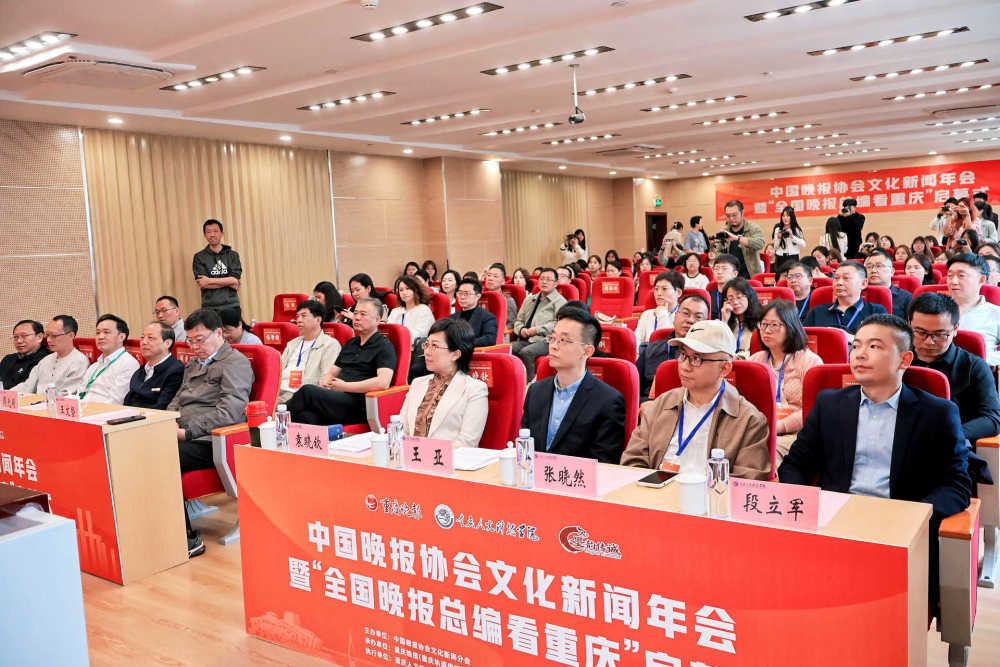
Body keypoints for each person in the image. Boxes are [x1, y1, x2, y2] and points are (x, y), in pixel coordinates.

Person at [779, 314, 971, 610]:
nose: (860, 354)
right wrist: (807, 509)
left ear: (904, 359)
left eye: (874, 346)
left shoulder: (937, 413)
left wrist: (913, 520)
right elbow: (795, 465)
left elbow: (956, 485)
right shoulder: (830, 404)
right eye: (856, 345)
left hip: (900, 534)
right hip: (833, 528)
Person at [621, 320, 770, 479]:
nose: (685, 366)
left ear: (724, 368)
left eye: (697, 359)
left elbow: (745, 481)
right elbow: (632, 462)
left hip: (709, 494)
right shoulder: (660, 405)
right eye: (683, 355)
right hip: (657, 491)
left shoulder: (749, 420)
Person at [170, 308, 254, 558]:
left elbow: (230, 412)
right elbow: (177, 400)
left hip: (211, 440)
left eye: (200, 339)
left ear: (219, 333)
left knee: (162, 457)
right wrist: (166, 421)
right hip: (180, 433)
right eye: (190, 341)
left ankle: (186, 538)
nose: (195, 347)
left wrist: (185, 432)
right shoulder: (193, 364)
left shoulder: (235, 362)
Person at [522, 307, 626, 463]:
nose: (553, 346)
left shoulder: (608, 401)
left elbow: (604, 464)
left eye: (563, 340)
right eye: (552, 338)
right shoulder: (536, 391)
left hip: (578, 478)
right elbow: (525, 447)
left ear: (587, 351)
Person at [286, 298, 396, 425]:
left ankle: (275, 419)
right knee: (307, 416)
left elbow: (383, 382)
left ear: (377, 319)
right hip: (337, 399)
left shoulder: (384, 346)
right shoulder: (351, 343)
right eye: (355, 313)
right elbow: (332, 372)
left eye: (363, 314)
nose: (357, 318)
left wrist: (345, 386)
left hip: (359, 403)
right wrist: (325, 384)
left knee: (307, 391)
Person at [908, 293, 1000, 443]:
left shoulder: (974, 367)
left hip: (952, 444)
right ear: (909, 324)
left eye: (940, 334)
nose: (929, 342)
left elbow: (992, 419)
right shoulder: (898, 360)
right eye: (921, 332)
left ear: (955, 328)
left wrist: (952, 433)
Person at [400, 319, 488, 448]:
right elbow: (401, 429)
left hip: (449, 459)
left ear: (456, 354)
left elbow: (467, 443)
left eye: (434, 346)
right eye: (426, 344)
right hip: (410, 457)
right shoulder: (417, 383)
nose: (427, 352)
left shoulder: (474, 389)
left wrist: (427, 455)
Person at [749, 300, 823, 439]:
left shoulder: (810, 361)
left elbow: (814, 409)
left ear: (790, 327)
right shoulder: (755, 361)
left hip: (799, 434)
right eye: (764, 324)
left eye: (774, 325)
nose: (767, 330)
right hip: (760, 431)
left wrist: (778, 427)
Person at [635, 293, 710, 400]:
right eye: (686, 313)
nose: (690, 320)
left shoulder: (711, 358)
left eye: (698, 317)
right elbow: (633, 393)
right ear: (675, 316)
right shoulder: (651, 350)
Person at [277, 300, 341, 405]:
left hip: (300, 394)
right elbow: (278, 371)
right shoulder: (292, 344)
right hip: (279, 390)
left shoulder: (330, 345)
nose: (298, 320)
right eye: (297, 316)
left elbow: (326, 379)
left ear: (318, 319)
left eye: (303, 316)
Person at [512, 268, 567, 380]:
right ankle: (514, 381)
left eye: (548, 279)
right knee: (510, 349)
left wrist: (537, 330)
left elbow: (559, 324)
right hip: (526, 338)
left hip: (547, 340)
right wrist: (521, 330)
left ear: (556, 283)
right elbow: (518, 320)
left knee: (527, 352)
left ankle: (530, 383)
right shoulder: (529, 299)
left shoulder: (560, 302)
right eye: (542, 279)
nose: (544, 282)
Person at [804, 262, 887, 336]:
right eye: (836, 278)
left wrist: (851, 339)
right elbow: (804, 342)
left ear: (863, 283)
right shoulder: (817, 312)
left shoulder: (876, 312)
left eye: (846, 278)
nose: (839, 283)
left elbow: (883, 343)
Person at [946, 253, 1000, 365]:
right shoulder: (935, 309)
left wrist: (981, 360)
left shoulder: (996, 313)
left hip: (977, 371)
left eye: (961, 275)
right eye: (950, 276)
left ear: (981, 279)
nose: (953, 281)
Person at [13, 315, 89, 395]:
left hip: (52, 402)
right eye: (47, 335)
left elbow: (67, 394)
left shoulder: (79, 361)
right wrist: (7, 394)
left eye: (54, 336)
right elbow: (27, 386)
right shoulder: (46, 360)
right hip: (36, 401)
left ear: (71, 335)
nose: (48, 340)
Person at [78, 314, 140, 404]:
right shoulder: (95, 366)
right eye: (98, 333)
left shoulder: (128, 363)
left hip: (104, 411)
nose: (100, 337)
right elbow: (80, 392)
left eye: (106, 332)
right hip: (83, 408)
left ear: (121, 337)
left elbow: (116, 401)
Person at [123, 322, 185, 410]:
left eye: (150, 338)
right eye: (142, 337)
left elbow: (162, 407)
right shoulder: (141, 370)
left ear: (167, 343)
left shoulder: (176, 371)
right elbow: (127, 401)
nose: (144, 342)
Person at [192, 219, 241, 310]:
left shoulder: (233, 255)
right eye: (208, 232)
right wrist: (228, 282)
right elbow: (203, 283)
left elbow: (234, 280)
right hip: (209, 306)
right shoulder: (199, 257)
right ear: (205, 235)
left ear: (222, 234)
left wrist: (209, 280)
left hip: (232, 305)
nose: (212, 234)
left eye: (215, 231)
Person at [714, 200, 764, 278]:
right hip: (729, 276)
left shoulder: (753, 228)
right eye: (728, 216)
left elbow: (760, 243)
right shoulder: (724, 231)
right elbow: (717, 253)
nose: (731, 218)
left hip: (750, 275)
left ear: (742, 213)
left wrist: (737, 238)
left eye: (734, 215)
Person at [635, 271, 685, 349]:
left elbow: (668, 345)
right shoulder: (647, 314)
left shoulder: (684, 317)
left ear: (678, 292)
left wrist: (662, 315)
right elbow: (636, 340)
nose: (659, 293)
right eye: (656, 289)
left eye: (664, 289)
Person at [449, 278, 498, 348]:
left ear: (478, 296)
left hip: (473, 352)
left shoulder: (487, 317)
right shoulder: (452, 317)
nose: (462, 297)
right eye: (460, 293)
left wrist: (464, 343)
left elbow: (490, 339)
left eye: (466, 294)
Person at [719, 278, 762, 358]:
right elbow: (719, 347)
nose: (735, 302)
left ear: (749, 297)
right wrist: (724, 321)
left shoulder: (761, 320)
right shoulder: (725, 321)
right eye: (731, 299)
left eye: (739, 297)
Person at [864, 249, 912, 317]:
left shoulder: (906, 297)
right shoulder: (859, 295)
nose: (873, 270)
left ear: (892, 271)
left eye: (879, 266)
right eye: (869, 267)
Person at [0, 320, 47, 389]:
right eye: (15, 337)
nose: (19, 341)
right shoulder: (8, 359)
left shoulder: (46, 360)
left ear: (39, 337)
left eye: (24, 336)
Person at [387, 275, 435, 342]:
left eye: (408, 288)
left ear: (416, 289)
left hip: (414, 347)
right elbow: (388, 332)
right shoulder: (395, 311)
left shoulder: (424, 310)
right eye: (401, 290)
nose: (404, 293)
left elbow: (421, 335)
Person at [483, 263, 517, 330]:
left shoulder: (508, 300)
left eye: (495, 276)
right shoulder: (480, 298)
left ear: (503, 281)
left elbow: (511, 324)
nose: (490, 278)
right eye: (489, 275)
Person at [772, 206, 806, 270]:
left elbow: (803, 244)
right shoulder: (778, 229)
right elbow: (775, 247)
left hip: (793, 257)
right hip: (780, 257)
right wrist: (779, 238)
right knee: (781, 275)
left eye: (787, 216)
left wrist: (792, 237)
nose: (785, 218)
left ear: (792, 217)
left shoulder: (796, 229)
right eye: (783, 216)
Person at [708, 254, 740, 318]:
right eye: (716, 269)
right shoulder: (708, 295)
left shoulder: (740, 296)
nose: (719, 272)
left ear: (735, 274)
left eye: (724, 269)